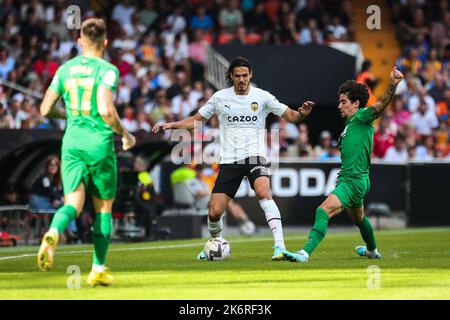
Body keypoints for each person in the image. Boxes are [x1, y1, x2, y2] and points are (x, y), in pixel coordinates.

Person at [153, 56, 315, 260]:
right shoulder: (220, 98)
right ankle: (216, 244)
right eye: (237, 75)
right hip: (230, 161)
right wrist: (171, 125)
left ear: (250, 75)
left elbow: (291, 116)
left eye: (245, 75)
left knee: (264, 193)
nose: (241, 79)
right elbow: (196, 120)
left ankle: (279, 247)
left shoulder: (262, 96)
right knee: (213, 212)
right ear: (230, 76)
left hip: (254, 156)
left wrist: (302, 114)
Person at [37, 18, 136, 286]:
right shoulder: (107, 70)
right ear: (105, 42)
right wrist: (125, 134)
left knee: (72, 204)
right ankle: (98, 268)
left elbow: (45, 110)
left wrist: (67, 111)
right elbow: (105, 109)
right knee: (103, 208)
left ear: (80, 41)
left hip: (71, 143)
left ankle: (54, 231)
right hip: (98, 145)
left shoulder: (65, 69)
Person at [283, 66, 404, 263]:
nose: (339, 106)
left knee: (322, 210)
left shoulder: (361, 116)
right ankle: (372, 251)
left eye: (343, 102)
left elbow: (380, 105)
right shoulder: (350, 125)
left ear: (356, 104)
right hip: (357, 180)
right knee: (358, 218)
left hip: (353, 181)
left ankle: (304, 254)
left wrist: (392, 85)